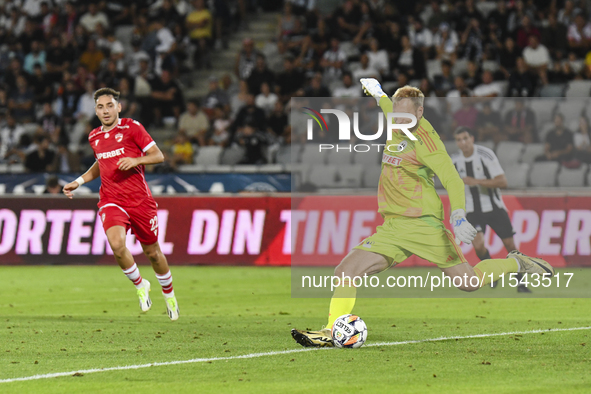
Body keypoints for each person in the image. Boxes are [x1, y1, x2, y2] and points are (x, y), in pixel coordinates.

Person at [291, 79, 554, 347]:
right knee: (345, 271)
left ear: (419, 112)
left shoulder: (427, 142)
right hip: (392, 227)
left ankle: (515, 262)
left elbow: (452, 178)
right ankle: (330, 331)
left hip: (424, 226)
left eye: (406, 115)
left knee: (469, 282)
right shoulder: (395, 119)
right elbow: (386, 106)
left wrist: (459, 214)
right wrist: (379, 92)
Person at [62, 88, 179, 321]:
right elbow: (100, 163)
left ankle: (169, 295)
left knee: (153, 253)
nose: (105, 110)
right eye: (100, 107)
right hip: (111, 200)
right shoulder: (94, 136)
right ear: (95, 111)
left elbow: (158, 156)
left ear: (119, 107)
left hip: (139, 201)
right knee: (116, 245)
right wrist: (79, 181)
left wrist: (136, 159)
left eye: (109, 105)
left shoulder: (132, 128)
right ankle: (140, 284)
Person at [452, 127, 530, 293]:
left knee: (510, 245)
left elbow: (503, 182)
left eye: (465, 138)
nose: (463, 143)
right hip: (472, 210)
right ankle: (493, 274)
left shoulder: (485, 155)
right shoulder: (455, 161)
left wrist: (477, 181)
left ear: (472, 138)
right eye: (459, 139)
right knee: (478, 246)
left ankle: (521, 282)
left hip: (494, 207)